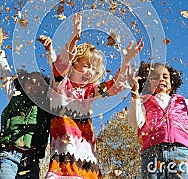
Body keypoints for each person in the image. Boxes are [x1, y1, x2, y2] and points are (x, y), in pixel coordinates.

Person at [46, 12, 143, 179]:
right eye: (86, 65)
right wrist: (74, 39)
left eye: (93, 69)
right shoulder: (60, 85)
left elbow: (113, 86)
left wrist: (126, 60)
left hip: (88, 167)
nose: (89, 71)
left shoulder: (90, 91)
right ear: (74, 63)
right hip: (64, 167)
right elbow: (60, 66)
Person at [0, 35, 55, 179]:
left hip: (32, 160)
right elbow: (6, 73)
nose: (34, 84)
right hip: (9, 154)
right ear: (23, 85)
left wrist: (49, 51)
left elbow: (56, 75)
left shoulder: (47, 103)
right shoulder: (15, 95)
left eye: (38, 82)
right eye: (30, 81)